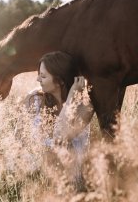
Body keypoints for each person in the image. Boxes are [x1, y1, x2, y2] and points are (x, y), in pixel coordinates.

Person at [16, 51, 94, 190]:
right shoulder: (35, 100)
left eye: (43, 76)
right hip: (35, 173)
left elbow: (60, 136)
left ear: (60, 81)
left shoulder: (85, 106)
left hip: (70, 178)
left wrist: (71, 97)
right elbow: (22, 141)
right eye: (38, 74)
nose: (38, 80)